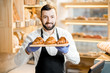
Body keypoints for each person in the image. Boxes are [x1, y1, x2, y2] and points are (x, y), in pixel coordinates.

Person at [14, 4, 80, 73]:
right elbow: (17, 62)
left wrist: (67, 52)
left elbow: (76, 60)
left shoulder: (65, 35)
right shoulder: (32, 37)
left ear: (56, 17)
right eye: (45, 17)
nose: (49, 20)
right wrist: (27, 51)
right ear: (40, 18)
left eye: (52, 17)